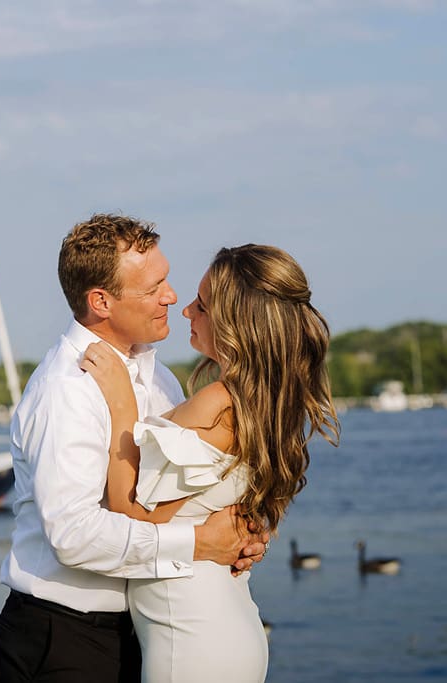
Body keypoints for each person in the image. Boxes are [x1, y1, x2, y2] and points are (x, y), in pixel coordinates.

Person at [0, 214, 269, 683]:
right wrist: (200, 543)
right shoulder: (67, 391)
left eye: (166, 278)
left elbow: (172, 495)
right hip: (66, 637)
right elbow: (74, 536)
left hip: (142, 631)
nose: (172, 296)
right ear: (100, 301)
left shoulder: (160, 378)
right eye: (153, 287)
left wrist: (241, 532)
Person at [81, 243, 341, 682]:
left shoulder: (219, 402)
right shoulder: (261, 405)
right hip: (224, 625)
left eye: (201, 305)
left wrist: (122, 402)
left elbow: (135, 514)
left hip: (192, 639)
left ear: (235, 324)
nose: (185, 311)